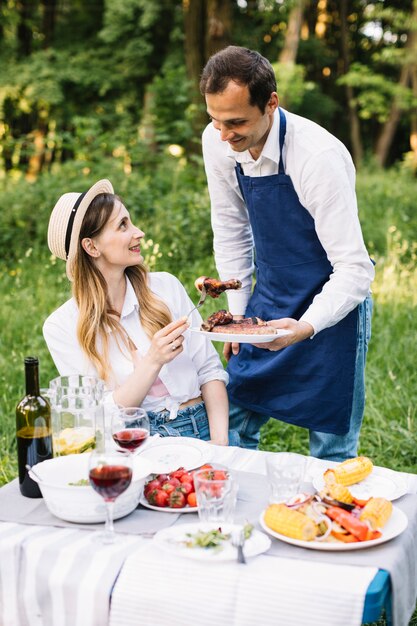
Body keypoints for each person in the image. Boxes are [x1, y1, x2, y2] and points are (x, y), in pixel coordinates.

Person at [200, 46, 374, 461]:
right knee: (234, 418)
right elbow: (230, 228)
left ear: (271, 103)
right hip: (271, 294)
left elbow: (355, 268)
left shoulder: (317, 157)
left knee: (332, 446)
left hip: (332, 307)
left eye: (236, 121)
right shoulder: (218, 140)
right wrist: (240, 318)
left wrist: (306, 325)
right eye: (215, 120)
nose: (224, 135)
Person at [43, 179, 232, 445]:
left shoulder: (165, 286)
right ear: (91, 247)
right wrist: (153, 360)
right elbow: (100, 416)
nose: (139, 232)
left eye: (130, 221)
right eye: (123, 225)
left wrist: (220, 443)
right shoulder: (62, 326)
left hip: (204, 427)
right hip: (136, 442)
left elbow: (210, 371)